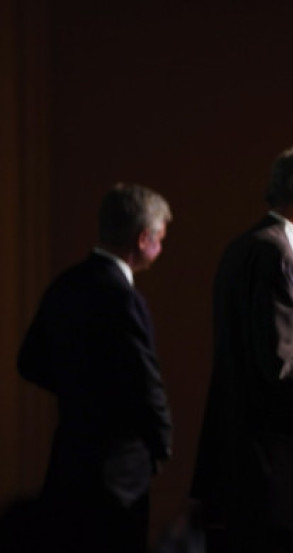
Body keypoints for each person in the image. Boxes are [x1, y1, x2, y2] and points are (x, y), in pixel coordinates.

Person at [191, 139, 293, 553]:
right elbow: (286, 372)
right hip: (268, 476)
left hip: (247, 471)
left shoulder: (248, 246)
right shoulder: (274, 254)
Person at [18, 182, 174, 553]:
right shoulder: (124, 298)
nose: (161, 248)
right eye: (161, 239)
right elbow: (145, 380)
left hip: (68, 459)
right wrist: (161, 441)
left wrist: (80, 390)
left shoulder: (65, 285)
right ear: (142, 239)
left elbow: (29, 361)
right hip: (119, 472)